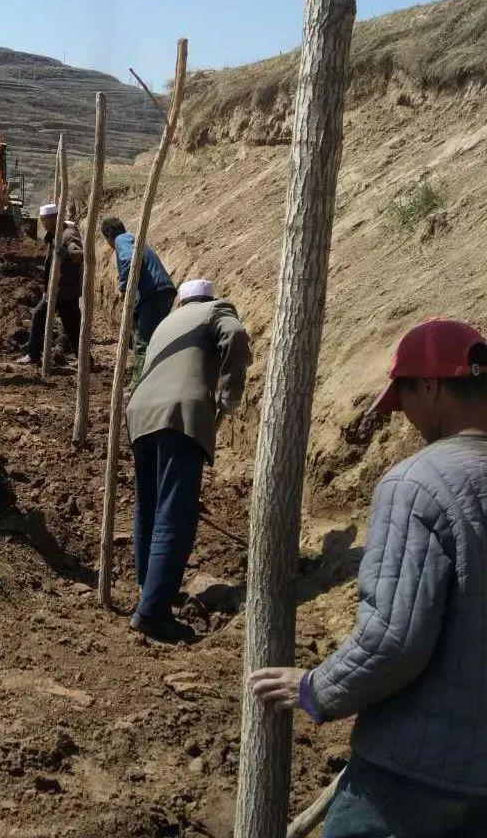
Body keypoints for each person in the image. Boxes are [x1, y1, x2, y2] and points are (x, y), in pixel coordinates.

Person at [250, 319, 487, 838]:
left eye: (406, 400)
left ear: (432, 387)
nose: (406, 421)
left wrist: (316, 689)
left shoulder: (418, 484)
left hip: (414, 779)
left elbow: (395, 641)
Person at [124, 279, 251, 642]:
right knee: (174, 514)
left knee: (148, 508)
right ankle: (153, 613)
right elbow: (237, 335)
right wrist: (229, 392)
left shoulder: (167, 322)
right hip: (180, 416)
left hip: (141, 414)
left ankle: (149, 590)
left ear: (181, 300)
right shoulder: (215, 309)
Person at [17, 203, 84, 367]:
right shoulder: (54, 233)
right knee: (70, 326)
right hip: (58, 289)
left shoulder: (67, 235)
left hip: (63, 290)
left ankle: (33, 356)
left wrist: (66, 254)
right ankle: (84, 360)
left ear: (55, 218)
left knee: (66, 324)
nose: (43, 223)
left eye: (45, 219)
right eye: (41, 219)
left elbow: (78, 255)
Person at [100, 216, 176, 350]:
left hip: (154, 293)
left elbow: (129, 261)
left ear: (109, 236)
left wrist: (123, 287)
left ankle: (142, 370)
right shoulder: (132, 239)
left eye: (107, 240)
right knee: (147, 333)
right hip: (162, 291)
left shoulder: (121, 239)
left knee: (143, 343)